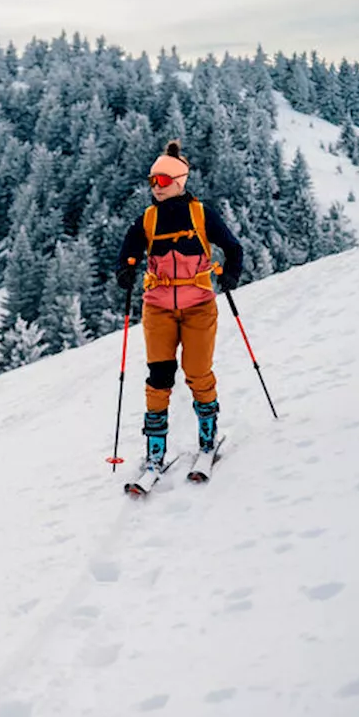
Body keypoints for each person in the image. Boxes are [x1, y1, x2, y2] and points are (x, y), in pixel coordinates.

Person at [115, 140, 243, 487]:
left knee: (198, 373)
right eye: (152, 181)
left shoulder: (201, 214)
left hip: (199, 305)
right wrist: (125, 270)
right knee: (158, 379)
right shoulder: (148, 218)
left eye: (161, 181)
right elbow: (127, 252)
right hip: (158, 308)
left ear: (179, 181)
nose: (154, 187)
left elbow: (233, 248)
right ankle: (154, 453)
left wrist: (230, 275)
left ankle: (207, 440)